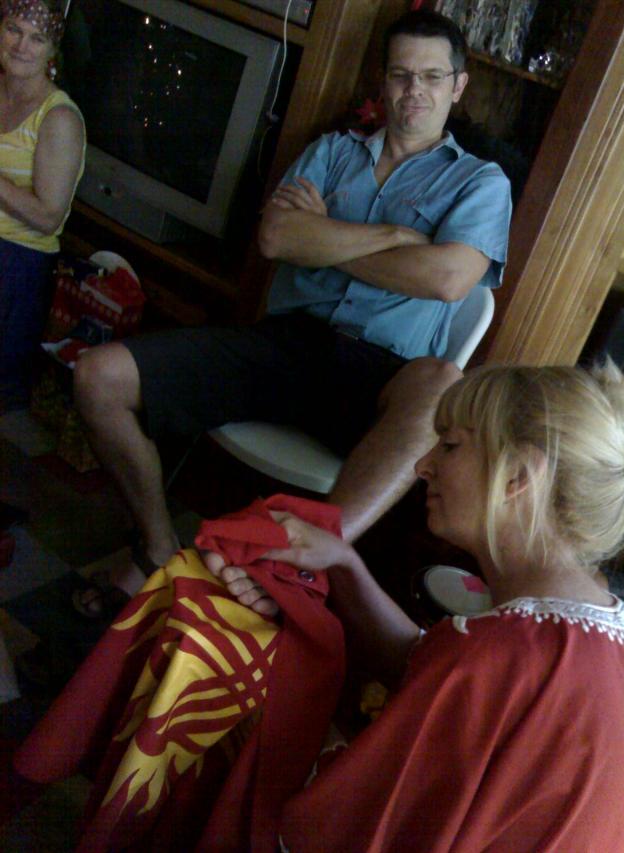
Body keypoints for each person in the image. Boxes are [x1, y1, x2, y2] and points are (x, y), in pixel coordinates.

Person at [72, 9, 512, 614]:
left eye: (432, 77)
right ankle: (155, 547)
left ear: (457, 86)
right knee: (97, 376)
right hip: (284, 345)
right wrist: (395, 236)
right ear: (383, 79)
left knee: (442, 382)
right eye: (401, 74)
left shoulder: (479, 183)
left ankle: (301, 566)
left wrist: (324, 238)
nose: (415, 90)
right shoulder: (332, 151)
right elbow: (277, 238)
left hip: (382, 376)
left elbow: (446, 279)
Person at [206, 359, 624, 851]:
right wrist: (344, 564)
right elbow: (428, 666)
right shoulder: (615, 636)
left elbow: (334, 833)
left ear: (518, 474)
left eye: (450, 445)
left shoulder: (498, 656)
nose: (422, 465)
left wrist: (263, 722)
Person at [0, 0, 85, 411]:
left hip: (16, 261)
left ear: (53, 50)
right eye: (14, 30)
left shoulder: (59, 118)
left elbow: (48, 218)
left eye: (37, 38)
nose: (21, 46)